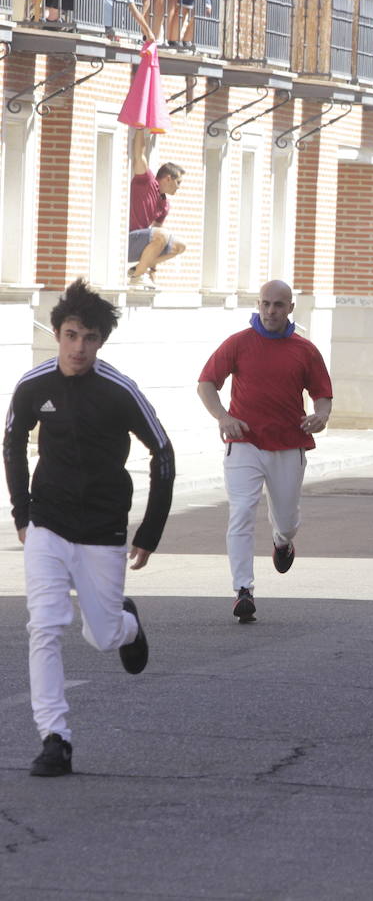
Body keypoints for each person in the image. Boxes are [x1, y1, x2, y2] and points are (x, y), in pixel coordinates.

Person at [3, 279, 175, 777]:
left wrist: (150, 532)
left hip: (102, 528)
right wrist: (22, 514)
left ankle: (127, 624)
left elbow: (161, 451)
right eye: (72, 335)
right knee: (45, 626)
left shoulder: (118, 390)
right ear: (57, 333)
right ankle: (55, 737)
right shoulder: (34, 386)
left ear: (101, 341)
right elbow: (12, 443)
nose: (79, 347)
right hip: (48, 525)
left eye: (90, 338)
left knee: (101, 637)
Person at [196, 280, 333, 623]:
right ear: (257, 305)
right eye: (265, 304)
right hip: (244, 442)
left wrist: (321, 415)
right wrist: (223, 417)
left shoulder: (305, 350)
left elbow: (322, 394)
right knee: (241, 511)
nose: (271, 311)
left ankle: (282, 541)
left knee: (286, 520)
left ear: (290, 309)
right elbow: (206, 384)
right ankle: (243, 589)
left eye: (278, 305)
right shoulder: (238, 344)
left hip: (289, 443)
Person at [127, 128, 186, 287]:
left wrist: (153, 271)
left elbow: (158, 242)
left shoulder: (164, 205)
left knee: (179, 246)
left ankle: (138, 270)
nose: (179, 187)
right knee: (162, 234)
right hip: (125, 240)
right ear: (168, 178)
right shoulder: (146, 181)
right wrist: (140, 128)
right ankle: (137, 277)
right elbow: (139, 155)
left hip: (138, 244)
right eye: (178, 182)